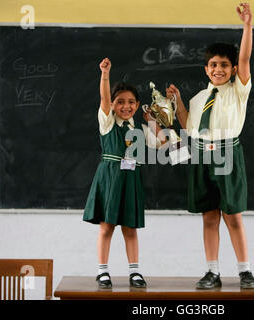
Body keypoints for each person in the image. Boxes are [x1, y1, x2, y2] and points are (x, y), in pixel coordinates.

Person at [166, 3, 254, 289]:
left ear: (233, 69)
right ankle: (213, 271)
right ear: (207, 69)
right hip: (201, 157)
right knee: (209, 217)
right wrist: (178, 102)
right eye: (214, 65)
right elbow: (188, 125)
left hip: (228, 153)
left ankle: (245, 271)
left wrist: (247, 25)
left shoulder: (238, 89)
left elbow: (245, 57)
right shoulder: (199, 98)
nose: (219, 69)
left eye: (224, 65)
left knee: (233, 216)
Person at [83, 57, 165, 289]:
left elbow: (162, 143)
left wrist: (152, 121)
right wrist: (105, 75)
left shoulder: (139, 129)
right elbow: (103, 99)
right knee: (107, 227)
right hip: (110, 178)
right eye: (120, 102)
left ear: (138, 105)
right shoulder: (108, 122)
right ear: (113, 105)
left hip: (131, 179)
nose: (125, 106)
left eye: (131, 102)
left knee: (130, 228)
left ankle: (135, 272)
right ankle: (102, 272)